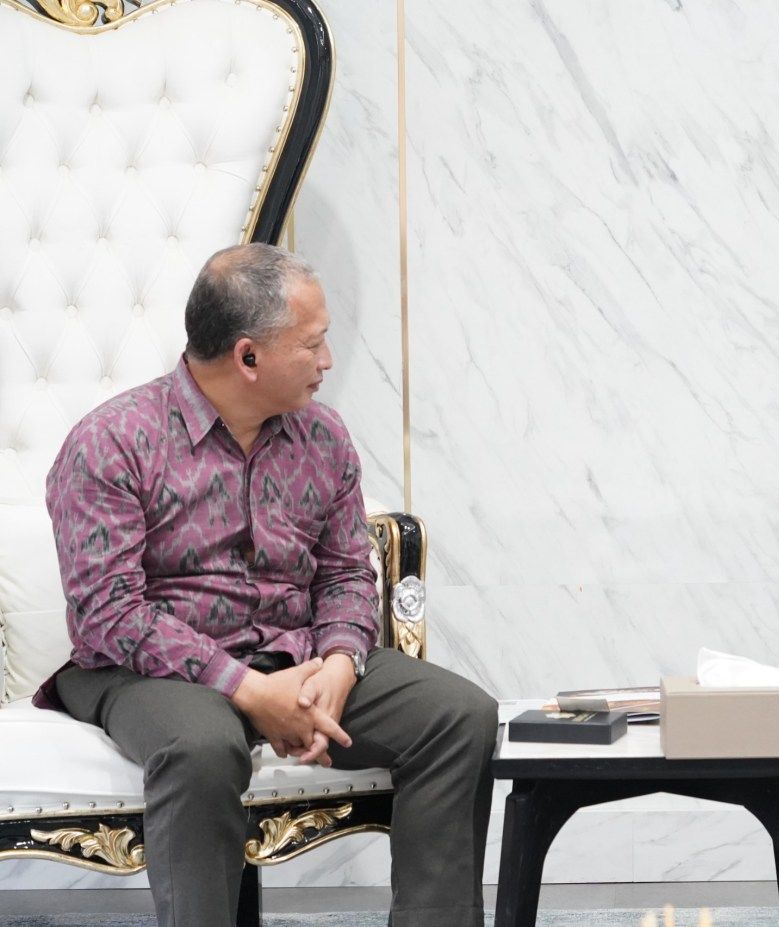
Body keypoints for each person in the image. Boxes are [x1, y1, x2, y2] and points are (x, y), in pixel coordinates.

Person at [37, 243, 498, 927]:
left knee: (458, 715)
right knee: (201, 746)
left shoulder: (324, 437)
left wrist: (340, 663)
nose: (328, 360)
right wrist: (249, 689)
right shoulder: (112, 442)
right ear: (248, 357)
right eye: (312, 344)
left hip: (296, 656)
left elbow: (346, 571)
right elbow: (110, 612)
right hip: (144, 670)